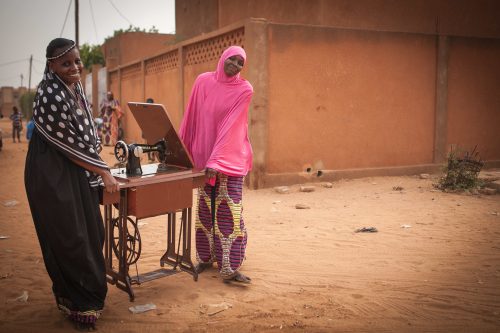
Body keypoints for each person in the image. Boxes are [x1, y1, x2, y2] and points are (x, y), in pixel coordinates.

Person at [24, 38, 119, 331]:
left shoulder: (73, 88)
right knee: (71, 238)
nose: (75, 67)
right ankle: (79, 303)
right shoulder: (49, 94)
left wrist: (99, 169)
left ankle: (81, 297)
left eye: (76, 61)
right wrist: (104, 172)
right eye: (66, 63)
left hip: (76, 172)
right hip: (53, 177)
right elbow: (67, 145)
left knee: (91, 233)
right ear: (51, 65)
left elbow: (84, 139)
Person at [179, 46, 254, 284]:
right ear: (222, 58)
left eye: (240, 62)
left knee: (228, 211)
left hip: (229, 160)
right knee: (204, 211)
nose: (235, 64)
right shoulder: (202, 82)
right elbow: (191, 116)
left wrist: (216, 160)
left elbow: (231, 126)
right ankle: (206, 257)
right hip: (204, 159)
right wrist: (182, 152)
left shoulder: (244, 89)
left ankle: (230, 267)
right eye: (231, 59)